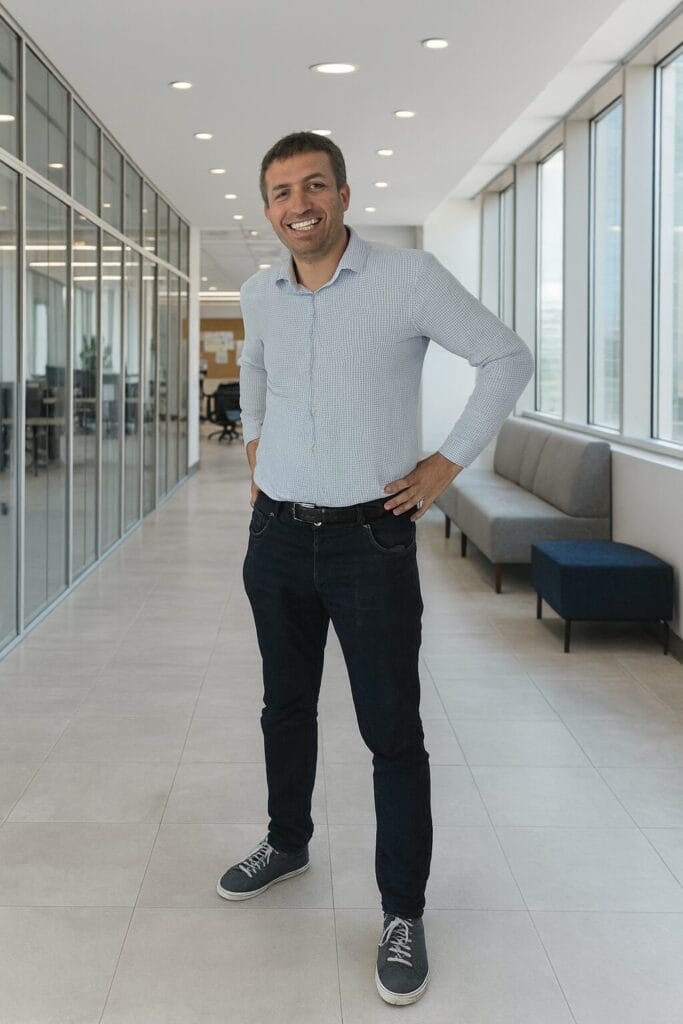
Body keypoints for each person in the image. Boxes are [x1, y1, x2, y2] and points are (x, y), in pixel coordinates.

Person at [217, 132, 533, 1006]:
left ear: (344, 194)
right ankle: (287, 843)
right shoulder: (258, 291)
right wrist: (251, 443)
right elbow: (252, 365)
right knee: (284, 707)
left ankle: (401, 910)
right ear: (269, 208)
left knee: (390, 731)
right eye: (281, 191)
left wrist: (445, 465)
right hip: (275, 536)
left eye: (313, 185)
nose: (298, 203)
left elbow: (506, 357)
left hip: (372, 542)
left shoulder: (408, 280)